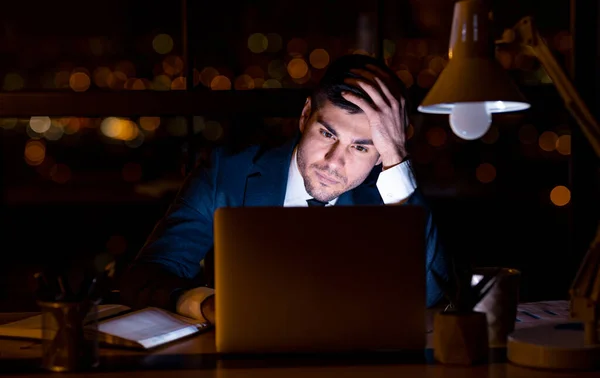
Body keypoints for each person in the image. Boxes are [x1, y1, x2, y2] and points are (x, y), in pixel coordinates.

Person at [120, 54, 449, 324]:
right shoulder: (227, 173)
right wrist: (205, 304)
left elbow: (431, 296)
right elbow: (146, 276)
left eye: (361, 148)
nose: (335, 162)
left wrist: (396, 157)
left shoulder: (392, 197)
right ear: (306, 116)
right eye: (328, 135)